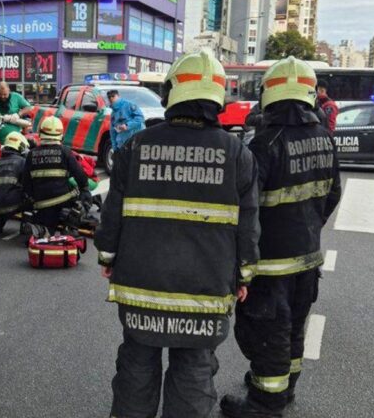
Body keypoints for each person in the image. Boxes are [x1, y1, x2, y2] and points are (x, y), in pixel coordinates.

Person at [94, 50, 260, 418]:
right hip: (205, 291)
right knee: (194, 371)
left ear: (171, 93)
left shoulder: (136, 146)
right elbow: (247, 226)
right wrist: (244, 275)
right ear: (217, 97)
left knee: (137, 366)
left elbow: (113, 212)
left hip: (141, 287)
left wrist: (107, 257)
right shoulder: (237, 154)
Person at [220, 57, 342, 418]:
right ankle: (282, 387)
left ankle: (264, 403)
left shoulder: (264, 143)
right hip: (306, 259)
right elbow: (333, 193)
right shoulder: (323, 138)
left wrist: (241, 258)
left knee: (267, 332)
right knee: (292, 330)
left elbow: (246, 207)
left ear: (268, 94)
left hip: (270, 264)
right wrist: (307, 231)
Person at [22, 116, 91, 234]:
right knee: (84, 199)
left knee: (48, 223)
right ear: (61, 134)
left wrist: (32, 199)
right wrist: (84, 190)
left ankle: (41, 229)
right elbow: (80, 176)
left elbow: (26, 181)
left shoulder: (31, 154)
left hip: (41, 202)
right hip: (64, 199)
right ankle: (71, 224)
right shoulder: (65, 151)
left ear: (41, 133)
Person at [0, 132, 30, 235]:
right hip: (12, 205)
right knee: (32, 194)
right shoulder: (23, 162)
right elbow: (28, 185)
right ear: (21, 146)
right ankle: (27, 225)